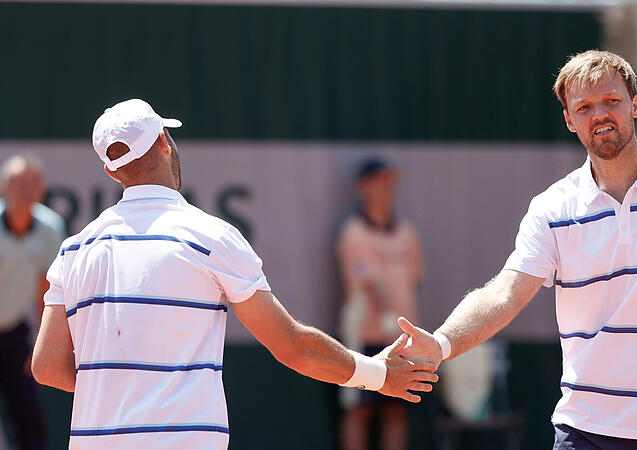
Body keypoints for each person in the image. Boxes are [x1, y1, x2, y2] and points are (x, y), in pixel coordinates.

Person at [396, 50, 637, 450]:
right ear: (570, 120)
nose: (601, 115)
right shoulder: (551, 208)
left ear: (635, 105)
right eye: (585, 107)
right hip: (586, 432)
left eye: (612, 101)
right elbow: (504, 293)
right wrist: (441, 343)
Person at [30, 99, 437, 449]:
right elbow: (291, 346)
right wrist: (378, 374)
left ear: (111, 172)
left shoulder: (73, 250)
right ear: (163, 143)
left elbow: (46, 367)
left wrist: (118, 389)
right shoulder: (212, 237)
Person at [337, 157, 424, 450]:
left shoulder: (407, 233)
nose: (387, 188)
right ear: (363, 187)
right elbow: (368, 283)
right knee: (359, 410)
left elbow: (415, 279)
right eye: (380, 182)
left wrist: (400, 324)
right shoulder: (353, 233)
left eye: (391, 182)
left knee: (396, 408)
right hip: (363, 337)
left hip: (402, 340)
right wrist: (387, 315)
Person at [0, 154, 65, 450]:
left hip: (15, 334)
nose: (25, 190)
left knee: (29, 422)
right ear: (4, 187)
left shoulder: (50, 228)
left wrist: (40, 341)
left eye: (32, 183)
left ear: (42, 189)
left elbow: (46, 289)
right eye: (18, 182)